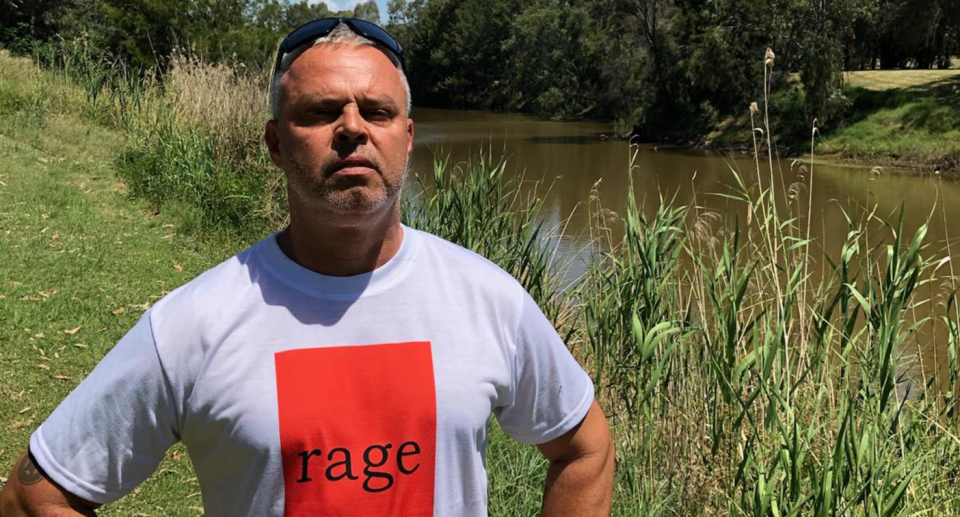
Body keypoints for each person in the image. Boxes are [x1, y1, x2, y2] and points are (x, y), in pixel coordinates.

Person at [0, 18, 614, 516]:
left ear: (407, 136)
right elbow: (36, 495)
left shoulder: (487, 298)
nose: (352, 128)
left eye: (376, 111)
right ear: (274, 143)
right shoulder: (194, 323)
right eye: (321, 113)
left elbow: (585, 451)